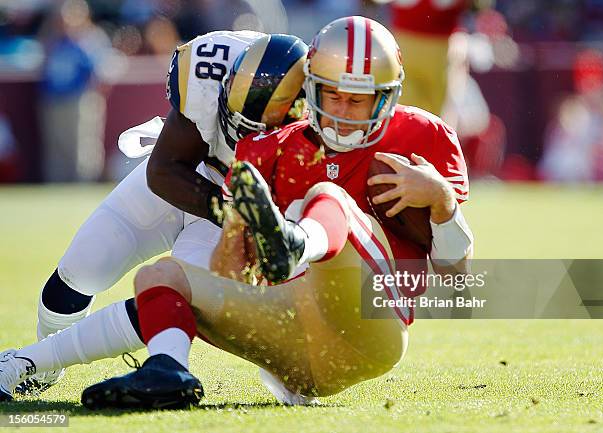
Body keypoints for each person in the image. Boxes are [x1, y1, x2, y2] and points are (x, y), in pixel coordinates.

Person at [75, 16, 474, 409]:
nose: (343, 111)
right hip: (285, 336)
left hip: (365, 330)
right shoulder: (269, 147)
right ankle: (160, 371)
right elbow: (231, 277)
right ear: (309, 90)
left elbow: (458, 278)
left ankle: (296, 243)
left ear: (387, 97)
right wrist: (237, 231)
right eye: (332, 95)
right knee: (160, 275)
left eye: (358, 100)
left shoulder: (423, 136)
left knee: (329, 199)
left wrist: (442, 201)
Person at [3, 31, 308, 396]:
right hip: (192, 177)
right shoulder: (209, 68)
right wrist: (231, 211)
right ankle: (41, 367)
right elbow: (163, 171)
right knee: (80, 270)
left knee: (174, 294)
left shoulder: (320, 118)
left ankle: (38, 363)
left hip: (248, 206)